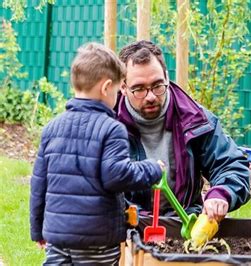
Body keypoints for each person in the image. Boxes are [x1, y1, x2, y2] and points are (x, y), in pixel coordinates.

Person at [30, 42, 164, 265]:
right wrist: (152, 169)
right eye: (117, 90)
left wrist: (37, 230)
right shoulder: (112, 129)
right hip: (97, 240)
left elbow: (38, 185)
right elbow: (116, 175)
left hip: (58, 237)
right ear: (106, 87)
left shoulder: (51, 128)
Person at [116, 40, 251, 222]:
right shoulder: (108, 124)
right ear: (123, 87)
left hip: (185, 222)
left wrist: (221, 193)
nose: (150, 96)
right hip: (127, 224)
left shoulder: (196, 120)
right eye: (139, 89)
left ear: (167, 77)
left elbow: (231, 164)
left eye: (157, 85)